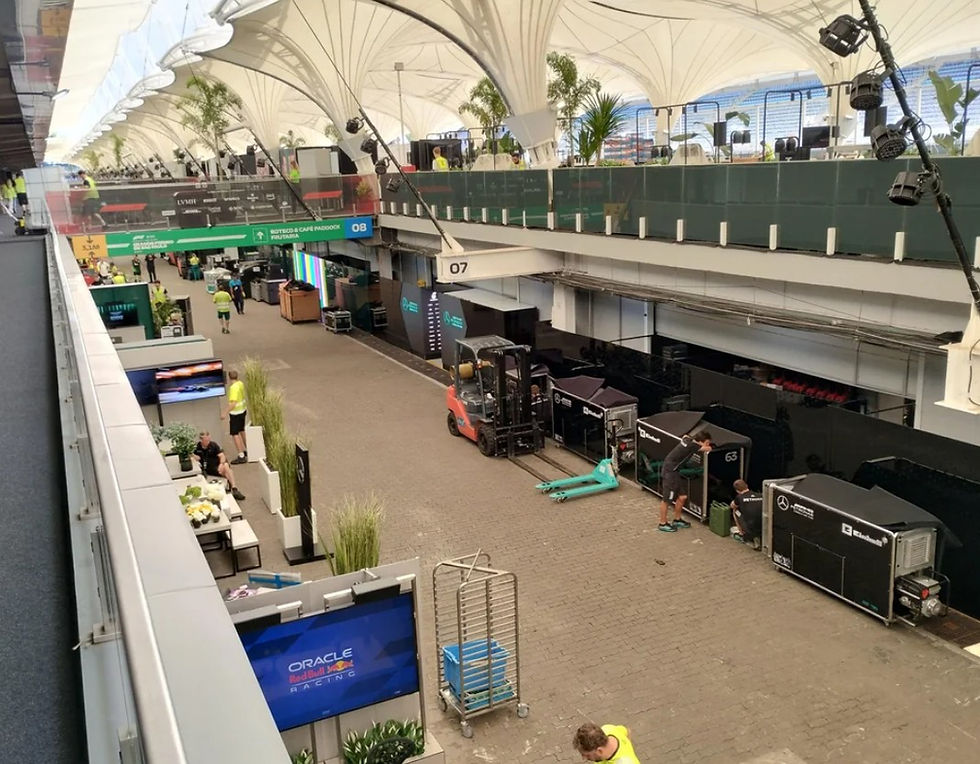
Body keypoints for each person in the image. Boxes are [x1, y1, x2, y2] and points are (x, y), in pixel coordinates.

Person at [658, 429, 713, 533]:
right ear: (701, 441)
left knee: (683, 497)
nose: (708, 444)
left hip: (674, 472)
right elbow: (708, 449)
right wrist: (709, 446)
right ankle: (662, 523)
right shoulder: (693, 446)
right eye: (706, 442)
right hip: (670, 473)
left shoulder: (688, 440)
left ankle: (677, 520)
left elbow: (685, 435)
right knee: (666, 500)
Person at [192, 432, 245, 500]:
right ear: (201, 440)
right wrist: (192, 455)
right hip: (207, 469)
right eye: (206, 440)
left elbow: (222, 456)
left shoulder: (213, 445)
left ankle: (234, 488)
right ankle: (233, 488)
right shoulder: (197, 448)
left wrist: (221, 464)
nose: (208, 442)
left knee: (226, 465)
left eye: (209, 440)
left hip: (217, 467)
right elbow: (197, 458)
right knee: (227, 470)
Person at [573, 722, 640, 763]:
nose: (584, 758)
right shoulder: (607, 729)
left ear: (599, 751)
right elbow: (627, 731)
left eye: (587, 755)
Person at [221, 369, 248, 463]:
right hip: (243, 410)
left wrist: (225, 412)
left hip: (236, 413)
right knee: (242, 430)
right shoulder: (240, 383)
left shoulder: (233, 388)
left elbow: (233, 403)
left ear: (229, 377)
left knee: (234, 433)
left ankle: (241, 455)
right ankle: (249, 449)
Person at [730, 479, 763, 548]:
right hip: (763, 526)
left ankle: (742, 533)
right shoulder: (760, 495)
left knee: (735, 511)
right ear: (747, 486)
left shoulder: (739, 497)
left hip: (750, 529)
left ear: (737, 491)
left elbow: (732, 505)